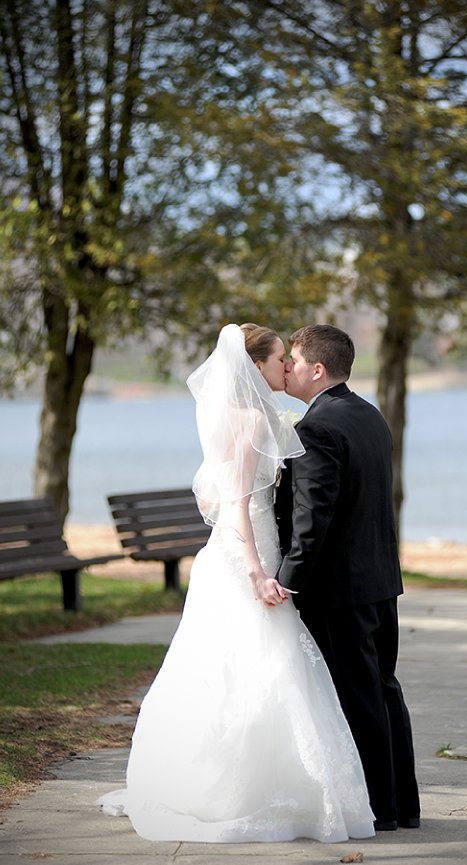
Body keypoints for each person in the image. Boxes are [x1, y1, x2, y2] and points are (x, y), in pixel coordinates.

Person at [98, 323, 375, 843]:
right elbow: (238, 502)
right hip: (248, 551)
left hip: (246, 548)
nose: (285, 369)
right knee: (261, 663)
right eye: (277, 362)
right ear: (256, 368)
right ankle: (246, 788)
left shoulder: (254, 414)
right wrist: (254, 566)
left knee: (247, 663)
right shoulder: (249, 419)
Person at [268, 324, 420, 833]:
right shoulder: (369, 415)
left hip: (340, 589)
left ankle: (378, 809)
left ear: (317, 369)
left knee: (356, 697)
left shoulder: (315, 428)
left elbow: (315, 515)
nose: (286, 366)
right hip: (380, 580)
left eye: (293, 358)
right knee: (384, 690)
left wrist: (288, 579)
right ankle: (402, 806)